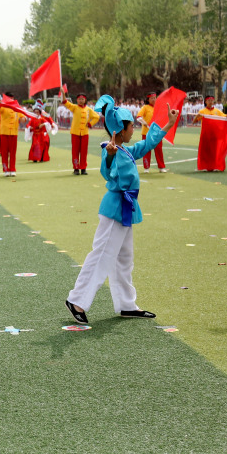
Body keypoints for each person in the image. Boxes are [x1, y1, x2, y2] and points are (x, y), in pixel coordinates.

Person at [65, 96, 179, 324]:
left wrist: (168, 124)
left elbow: (147, 145)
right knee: (102, 254)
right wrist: (108, 155)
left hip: (126, 207)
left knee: (124, 258)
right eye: (131, 126)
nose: (133, 129)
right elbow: (107, 174)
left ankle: (126, 304)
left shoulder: (126, 151)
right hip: (116, 207)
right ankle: (77, 300)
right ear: (121, 129)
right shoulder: (111, 151)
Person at [62, 92, 100, 175]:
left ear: (85, 100)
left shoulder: (89, 109)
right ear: (77, 100)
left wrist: (90, 123)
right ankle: (76, 168)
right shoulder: (74, 107)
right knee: (75, 151)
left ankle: (83, 168)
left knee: (84, 152)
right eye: (79, 99)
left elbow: (97, 117)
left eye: (82, 99)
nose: (81, 100)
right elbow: (65, 102)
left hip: (85, 133)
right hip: (75, 133)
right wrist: (63, 93)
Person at [136, 92, 167, 173]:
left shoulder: (158, 107)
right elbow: (138, 117)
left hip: (157, 132)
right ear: (148, 99)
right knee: (146, 150)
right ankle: (146, 167)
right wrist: (144, 122)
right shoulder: (145, 107)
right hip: (146, 133)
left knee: (159, 149)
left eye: (155, 98)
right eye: (152, 98)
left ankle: (161, 167)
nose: (154, 99)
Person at [0, 93, 21, 176]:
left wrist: (23, 118)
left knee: (13, 152)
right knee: (4, 152)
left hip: (14, 132)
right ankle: (6, 169)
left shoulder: (17, 107)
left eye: (11, 98)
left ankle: (12, 169)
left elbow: (22, 116)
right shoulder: (3, 107)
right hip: (4, 132)